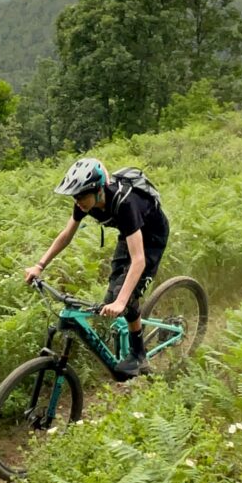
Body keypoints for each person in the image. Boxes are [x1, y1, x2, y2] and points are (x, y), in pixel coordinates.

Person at [24, 158, 169, 377]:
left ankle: (139, 356)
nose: (78, 201)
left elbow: (139, 260)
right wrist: (39, 265)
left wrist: (121, 301)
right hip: (129, 234)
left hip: (151, 238)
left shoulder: (126, 204)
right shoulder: (85, 202)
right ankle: (127, 328)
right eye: (75, 196)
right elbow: (66, 236)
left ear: (99, 189)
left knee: (124, 297)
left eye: (82, 195)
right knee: (111, 296)